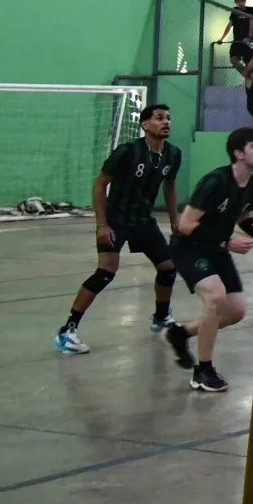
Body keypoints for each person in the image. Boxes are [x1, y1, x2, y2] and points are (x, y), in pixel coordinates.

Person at [53, 103, 183, 355]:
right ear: (145, 124)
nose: (166, 122)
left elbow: (169, 186)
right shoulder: (127, 151)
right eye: (159, 118)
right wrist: (102, 224)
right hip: (116, 220)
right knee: (105, 272)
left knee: (168, 268)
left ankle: (161, 317)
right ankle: (67, 331)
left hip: (143, 221)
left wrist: (174, 220)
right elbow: (99, 185)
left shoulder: (173, 154)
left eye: (168, 117)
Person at [162, 128, 253, 394]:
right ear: (239, 153)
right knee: (215, 296)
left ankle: (181, 333)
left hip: (217, 248)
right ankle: (203, 371)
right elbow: (185, 224)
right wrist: (228, 241)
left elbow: (244, 216)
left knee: (235, 311)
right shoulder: (215, 182)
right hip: (189, 248)